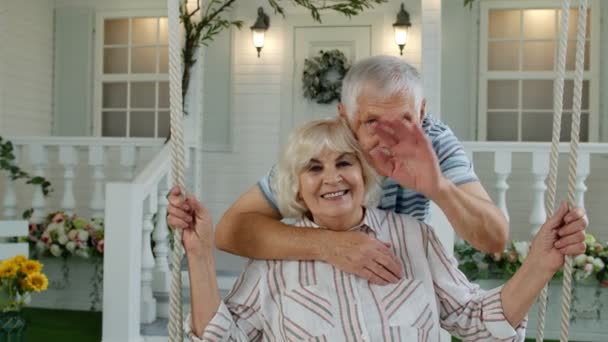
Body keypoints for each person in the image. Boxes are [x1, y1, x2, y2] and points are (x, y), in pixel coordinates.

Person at [167, 118, 587, 341]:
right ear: (295, 186)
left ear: (365, 175)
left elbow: (476, 320)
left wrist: (538, 264)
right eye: (314, 168)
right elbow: (223, 339)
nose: (331, 178)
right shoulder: (274, 261)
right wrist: (200, 256)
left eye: (344, 163)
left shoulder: (414, 238)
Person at [214, 55, 509, 285]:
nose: (389, 138)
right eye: (372, 122)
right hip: (322, 280)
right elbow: (229, 231)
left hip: (397, 278)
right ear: (345, 117)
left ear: (421, 113)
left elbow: (493, 239)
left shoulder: (434, 139)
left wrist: (439, 187)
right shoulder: (326, 143)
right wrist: (329, 245)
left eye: (404, 120)